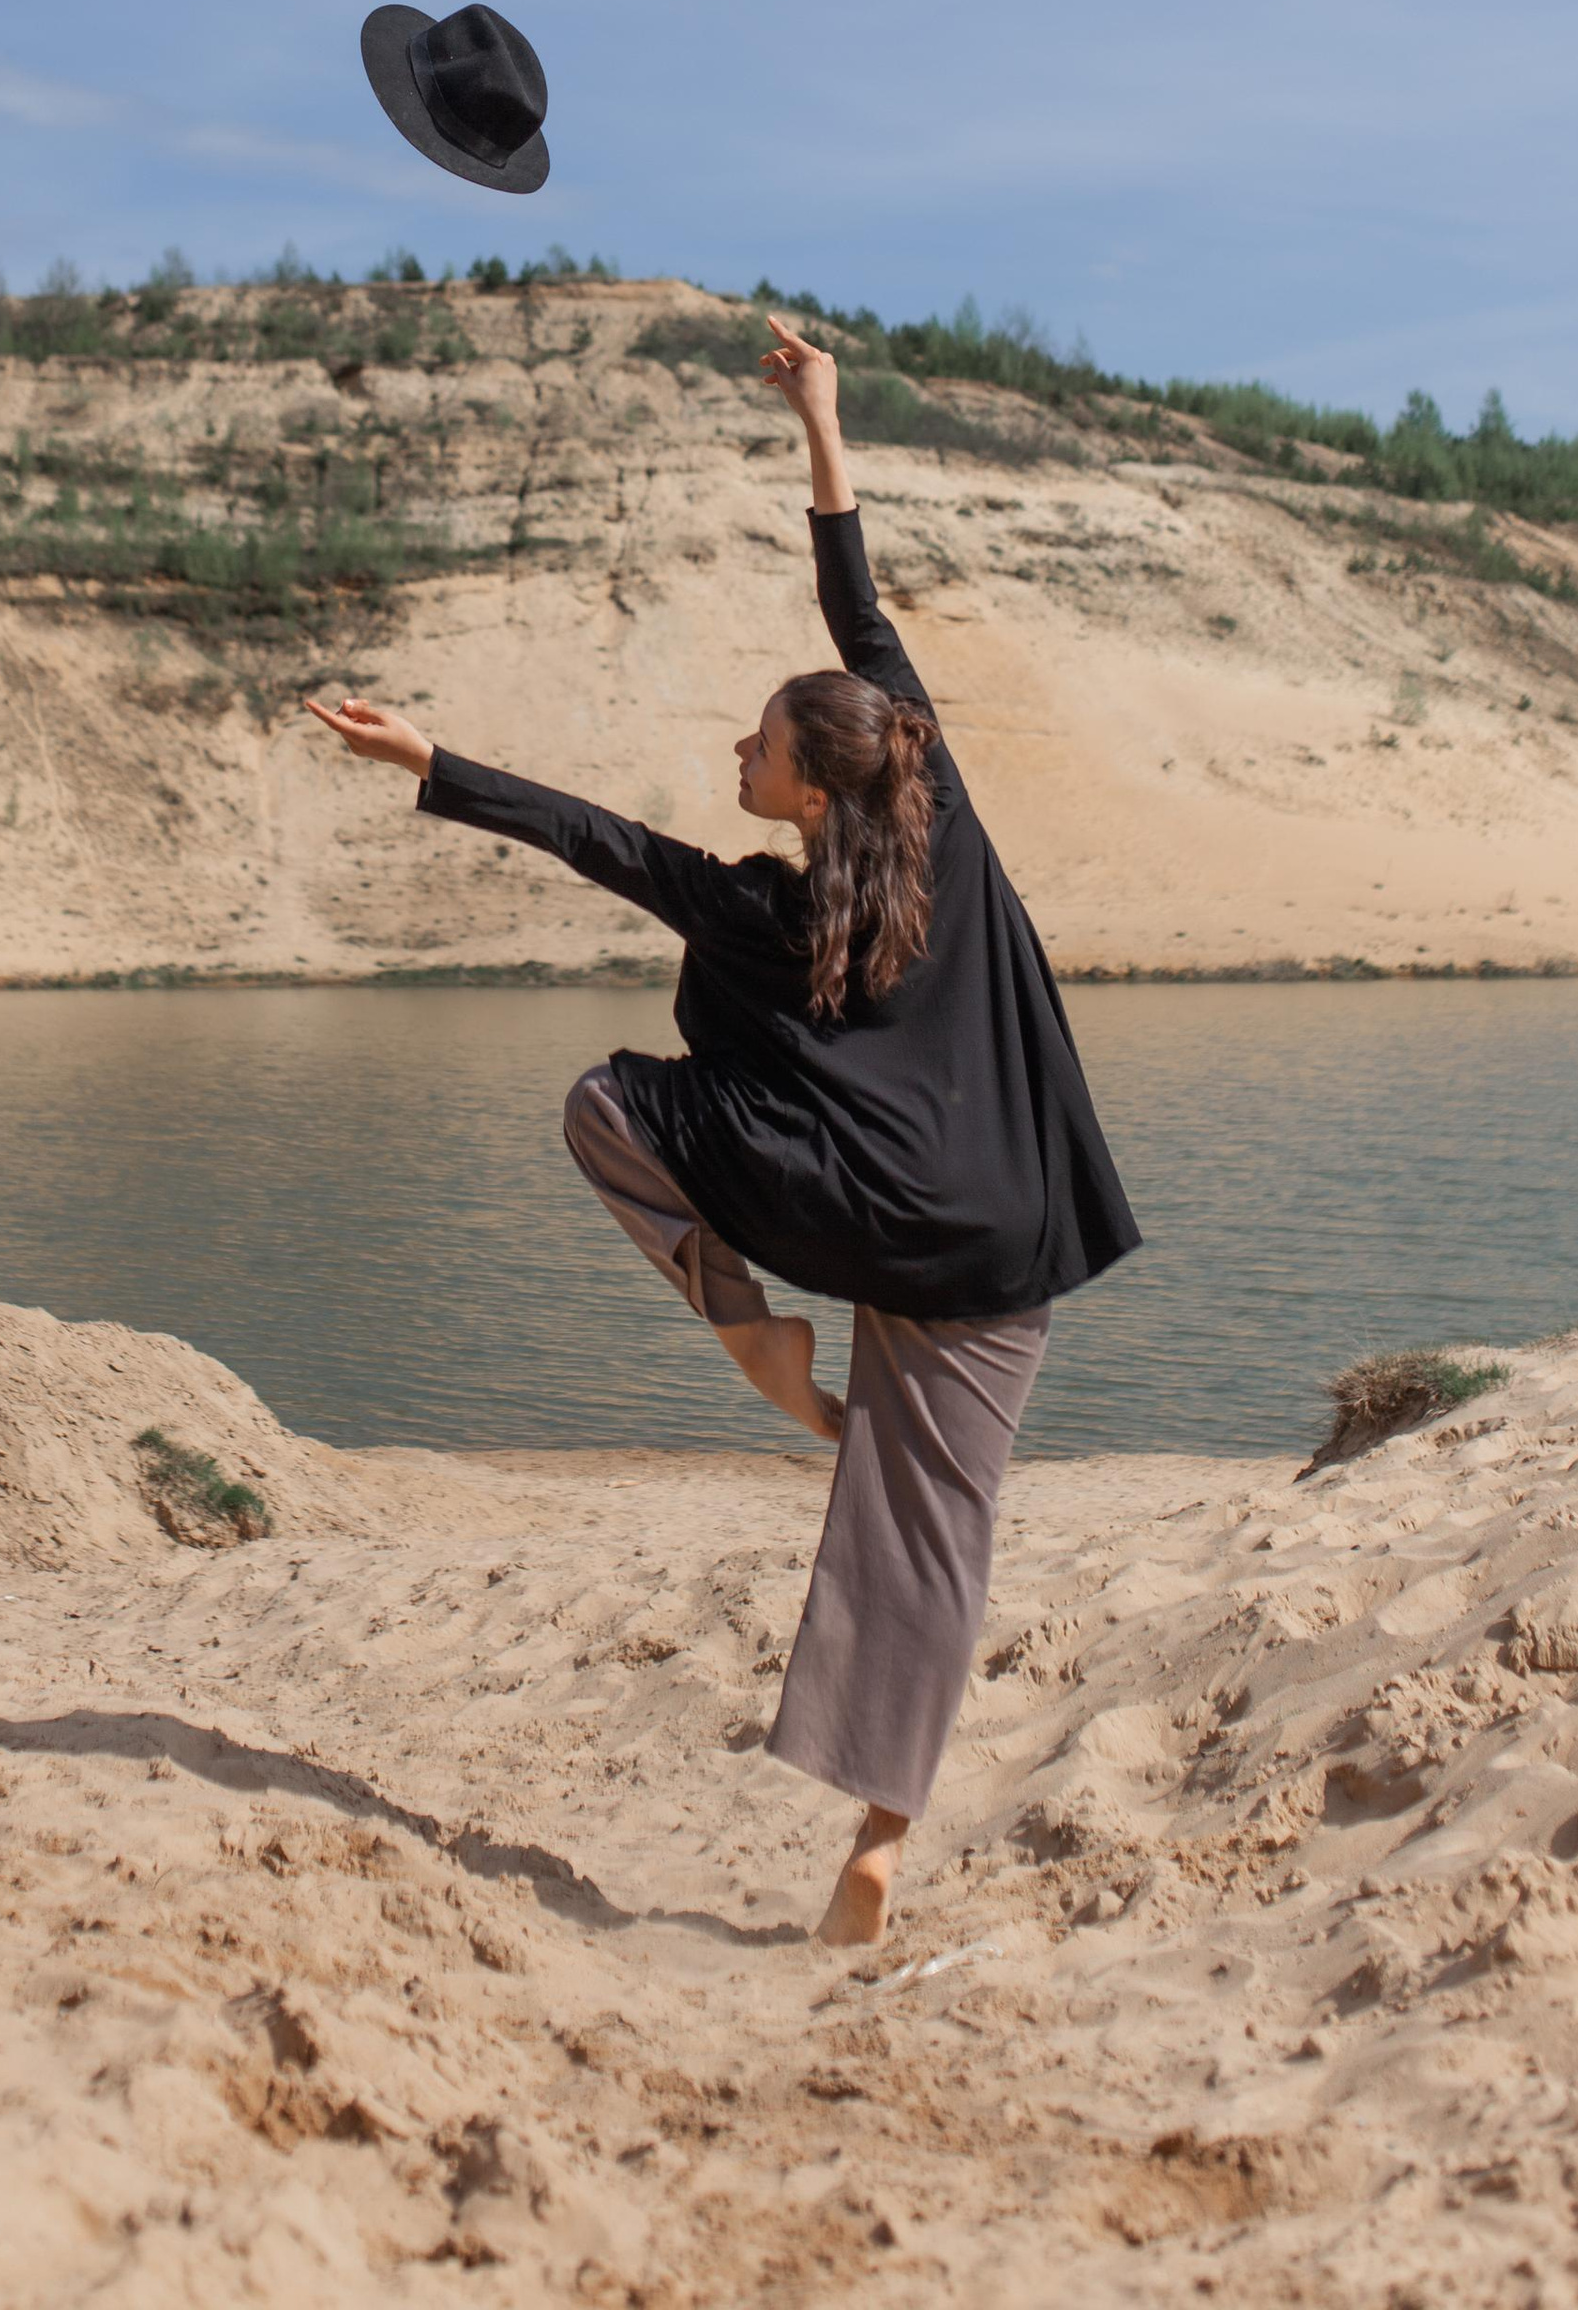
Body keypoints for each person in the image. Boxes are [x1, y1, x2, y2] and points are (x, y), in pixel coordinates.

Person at [306, 317, 1139, 1945]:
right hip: (1004, 1240)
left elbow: (600, 846)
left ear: (811, 794)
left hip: (845, 1219)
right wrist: (822, 418)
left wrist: (434, 761)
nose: (736, 759)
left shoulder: (764, 909)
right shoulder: (933, 793)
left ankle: (752, 1341)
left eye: (755, 749)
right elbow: (860, 609)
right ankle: (881, 1841)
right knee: (932, 1525)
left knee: (606, 1105)